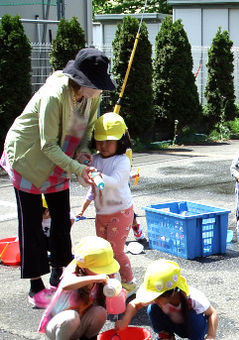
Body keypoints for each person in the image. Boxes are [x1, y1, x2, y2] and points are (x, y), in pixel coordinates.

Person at [1, 48, 116, 308]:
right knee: (31, 224)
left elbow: (86, 132)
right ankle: (35, 285)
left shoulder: (91, 98)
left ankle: (60, 273)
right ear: (83, 82)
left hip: (61, 158)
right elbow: (46, 145)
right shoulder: (54, 95)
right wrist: (78, 168)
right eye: (97, 85)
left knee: (61, 220)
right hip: (28, 157)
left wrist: (84, 154)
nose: (101, 90)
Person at [87, 112, 137, 295]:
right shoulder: (95, 159)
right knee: (103, 252)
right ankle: (110, 283)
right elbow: (87, 183)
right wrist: (83, 172)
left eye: (109, 141)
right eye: (100, 141)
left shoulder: (122, 161)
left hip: (120, 211)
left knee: (116, 251)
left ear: (121, 141)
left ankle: (129, 282)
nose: (103, 145)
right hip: (101, 212)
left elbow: (115, 181)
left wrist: (97, 175)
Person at [38, 236, 120, 340]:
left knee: (100, 312)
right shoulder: (73, 272)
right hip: (58, 326)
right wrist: (94, 278)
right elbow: (65, 285)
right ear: (84, 266)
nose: (104, 272)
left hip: (79, 325)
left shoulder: (99, 279)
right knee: (71, 317)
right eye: (100, 268)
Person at [115, 260, 218, 340]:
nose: (153, 299)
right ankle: (166, 335)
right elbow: (134, 304)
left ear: (170, 293)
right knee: (153, 308)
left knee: (194, 316)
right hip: (173, 323)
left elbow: (213, 313)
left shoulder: (193, 298)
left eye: (155, 297)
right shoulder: (160, 298)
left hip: (192, 327)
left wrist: (211, 336)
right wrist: (125, 321)